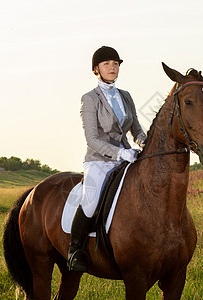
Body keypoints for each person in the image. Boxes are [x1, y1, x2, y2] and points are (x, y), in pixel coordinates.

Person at [68, 46, 147, 272]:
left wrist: (144, 143)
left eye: (116, 64)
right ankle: (75, 250)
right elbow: (92, 139)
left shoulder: (126, 96)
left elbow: (137, 130)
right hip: (99, 160)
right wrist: (120, 153)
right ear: (96, 69)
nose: (112, 68)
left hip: (127, 158)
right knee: (90, 200)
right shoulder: (90, 99)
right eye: (106, 64)